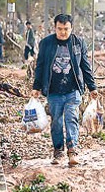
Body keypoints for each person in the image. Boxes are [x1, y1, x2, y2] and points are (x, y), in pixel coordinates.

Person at [31, 13, 98, 167]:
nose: (63, 32)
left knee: (71, 118)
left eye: (66, 29)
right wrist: (36, 87)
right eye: (59, 29)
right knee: (56, 122)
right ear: (54, 28)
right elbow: (40, 67)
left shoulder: (78, 43)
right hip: (53, 91)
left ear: (71, 28)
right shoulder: (46, 43)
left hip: (73, 90)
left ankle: (72, 150)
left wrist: (92, 87)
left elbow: (85, 67)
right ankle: (58, 150)